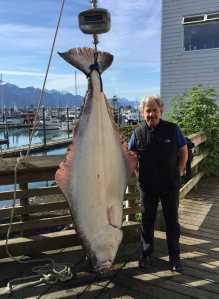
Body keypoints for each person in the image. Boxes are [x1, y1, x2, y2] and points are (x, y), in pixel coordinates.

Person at [128, 96, 188, 272]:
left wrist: (180, 170)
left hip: (170, 184)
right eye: (148, 110)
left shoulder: (172, 129)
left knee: (172, 222)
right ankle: (146, 256)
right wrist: (137, 173)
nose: (151, 114)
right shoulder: (137, 133)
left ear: (161, 110)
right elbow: (131, 155)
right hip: (147, 186)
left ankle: (175, 258)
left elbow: (183, 150)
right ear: (142, 112)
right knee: (147, 222)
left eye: (154, 110)